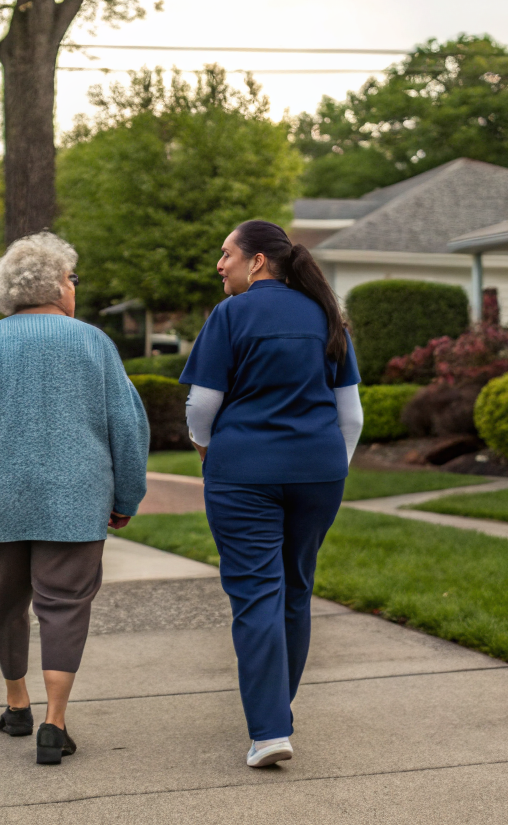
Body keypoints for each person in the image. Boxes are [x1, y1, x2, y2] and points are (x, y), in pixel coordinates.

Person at [0, 232, 149, 766]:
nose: (75, 287)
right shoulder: (93, 342)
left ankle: (16, 703)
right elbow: (128, 427)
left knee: (7, 602)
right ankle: (55, 722)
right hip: (76, 499)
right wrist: (128, 495)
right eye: (73, 278)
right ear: (55, 285)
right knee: (64, 607)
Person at [180, 219, 363, 768]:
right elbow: (349, 414)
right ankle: (276, 713)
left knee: (258, 593)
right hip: (319, 473)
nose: (220, 264)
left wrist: (207, 451)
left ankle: (268, 732)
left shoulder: (230, 315)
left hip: (244, 475)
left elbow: (200, 408)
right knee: (295, 591)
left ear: (257, 261)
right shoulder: (326, 315)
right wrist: (332, 467)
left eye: (226, 253)